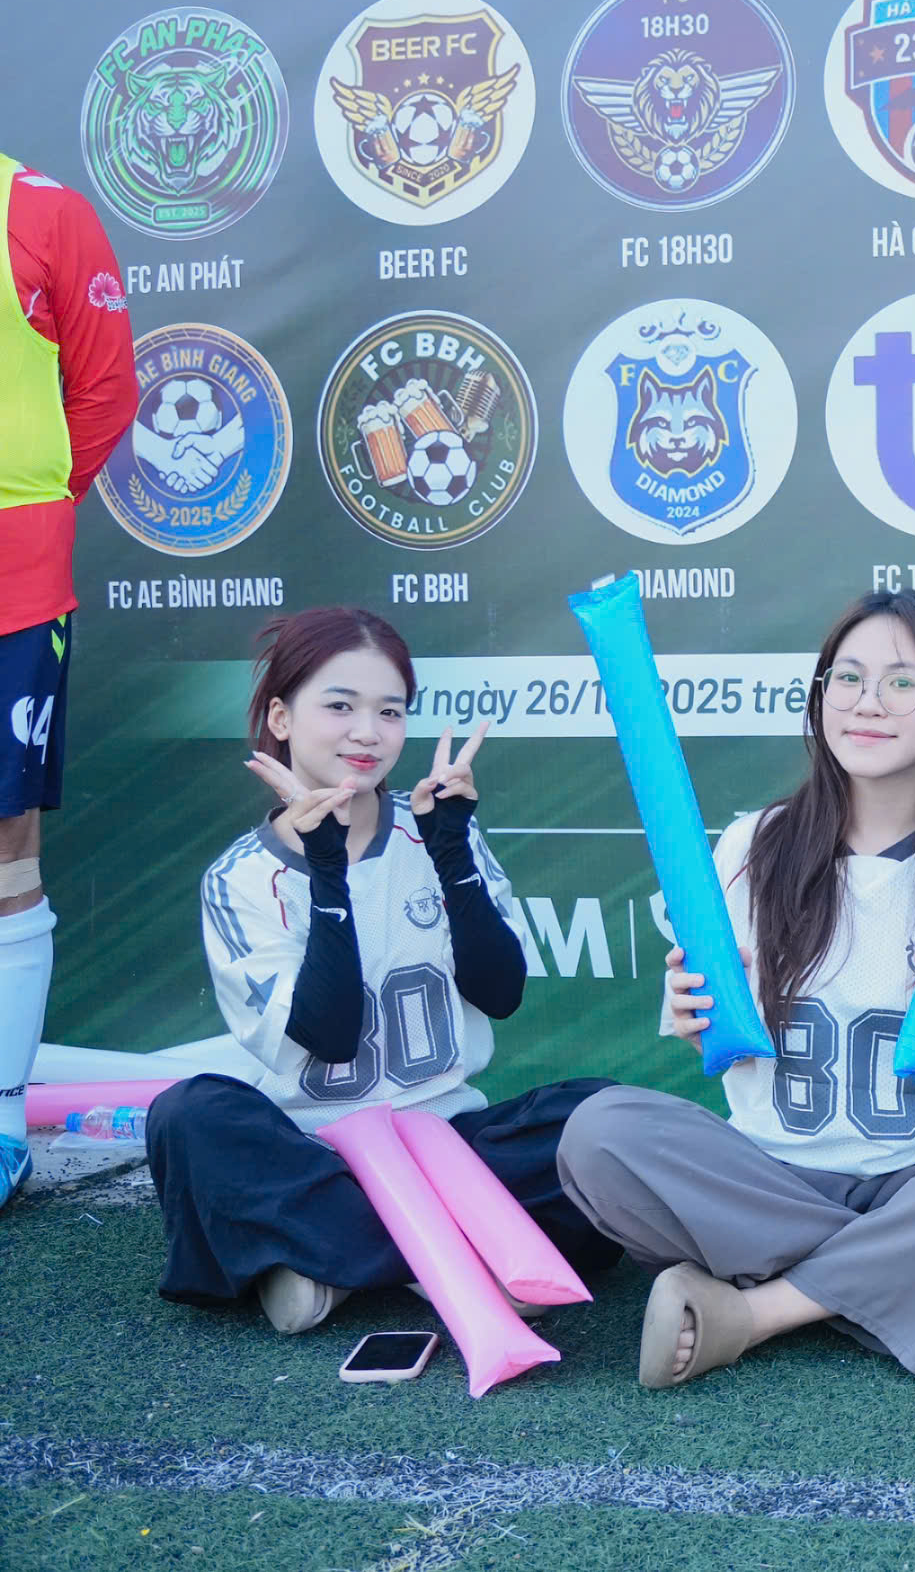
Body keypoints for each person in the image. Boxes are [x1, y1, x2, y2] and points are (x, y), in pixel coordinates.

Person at [554, 591, 915, 1388]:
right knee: (600, 1133)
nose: (867, 703)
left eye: (901, 683)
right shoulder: (752, 846)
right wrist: (694, 1017)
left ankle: (757, 1311)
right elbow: (716, 1044)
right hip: (767, 1177)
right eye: (846, 679)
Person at [148, 607, 619, 1331]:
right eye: (340, 706)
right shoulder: (238, 879)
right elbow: (330, 1036)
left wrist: (451, 852)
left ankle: (330, 1263)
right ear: (281, 717)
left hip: (450, 1142)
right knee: (189, 1116)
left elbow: (501, 993)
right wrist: (327, 869)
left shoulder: (435, 829)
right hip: (315, 1157)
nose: (367, 732)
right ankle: (464, 1254)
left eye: (390, 711)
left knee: (602, 1117)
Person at [0, 154, 136, 1206]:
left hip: (12, 576)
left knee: (5, 846)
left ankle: (3, 1125)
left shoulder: (41, 211)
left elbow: (103, 394)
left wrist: (35, 505)